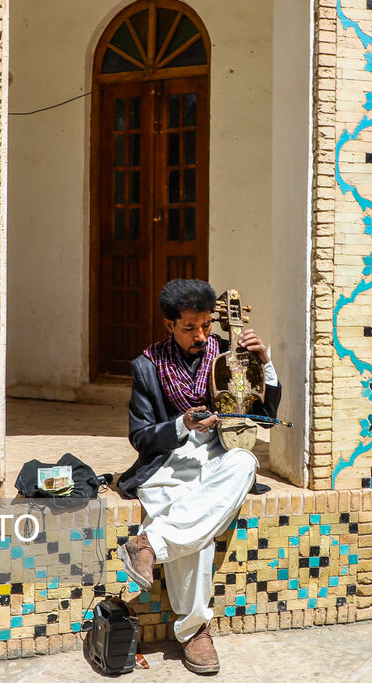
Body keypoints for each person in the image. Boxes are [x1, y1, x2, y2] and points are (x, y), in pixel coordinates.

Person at [116, 278, 281, 674]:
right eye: (190, 327)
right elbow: (140, 436)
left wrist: (265, 365)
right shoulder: (148, 365)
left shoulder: (230, 356)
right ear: (168, 325)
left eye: (207, 325)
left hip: (218, 455)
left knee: (244, 462)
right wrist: (182, 423)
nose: (202, 335)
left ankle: (149, 544)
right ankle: (195, 632)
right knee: (197, 526)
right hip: (170, 462)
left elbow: (268, 417)